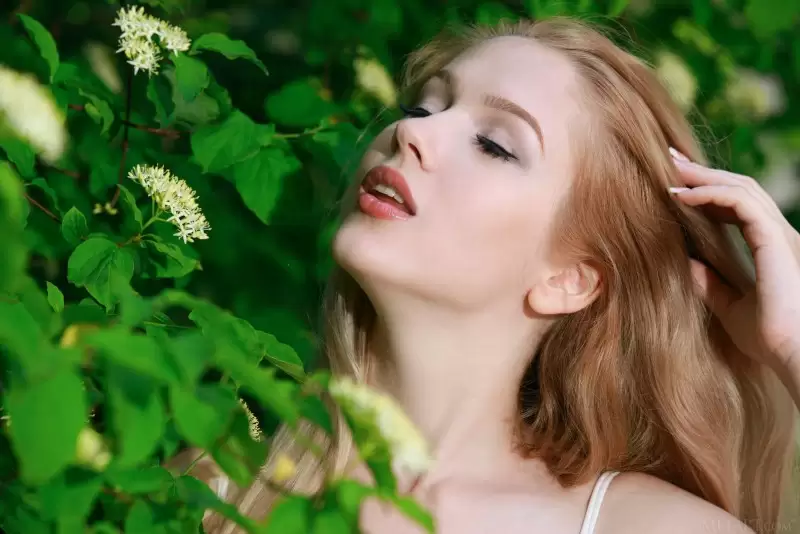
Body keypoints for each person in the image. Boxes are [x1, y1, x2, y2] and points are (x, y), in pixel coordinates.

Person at [195, 16, 800, 534]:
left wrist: (793, 345)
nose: (412, 131)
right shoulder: (212, 492)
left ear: (571, 279)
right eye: (421, 106)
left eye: (494, 145)